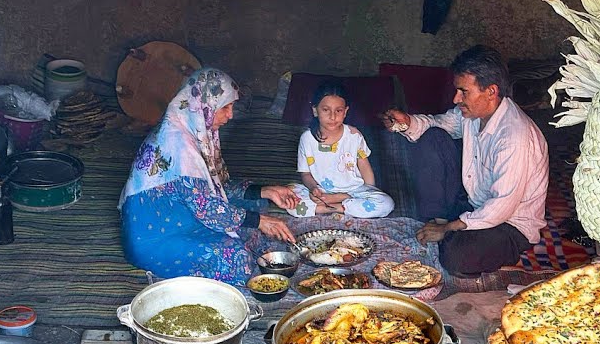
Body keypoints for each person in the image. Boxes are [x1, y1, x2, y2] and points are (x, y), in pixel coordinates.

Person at [119, 68, 299, 286]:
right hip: (157, 237)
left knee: (255, 202)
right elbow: (207, 207)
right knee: (236, 259)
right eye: (225, 108)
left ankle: (249, 235)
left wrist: (266, 190)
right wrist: (259, 221)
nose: (230, 115)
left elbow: (216, 186)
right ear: (203, 105)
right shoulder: (177, 144)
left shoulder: (195, 130)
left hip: (187, 213)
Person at [384, 45, 548, 277]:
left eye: (464, 92)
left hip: (509, 224)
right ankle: (440, 222)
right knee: (432, 137)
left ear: (491, 91)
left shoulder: (514, 136)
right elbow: (439, 123)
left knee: (457, 257)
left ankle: (446, 233)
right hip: (474, 202)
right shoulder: (472, 114)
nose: (456, 98)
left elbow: (500, 208)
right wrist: (406, 122)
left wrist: (448, 228)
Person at [286, 80, 395, 219]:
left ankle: (336, 205)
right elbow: (305, 174)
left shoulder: (354, 135)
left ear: (345, 112)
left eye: (338, 111)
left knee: (386, 203)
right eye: (326, 110)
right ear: (315, 110)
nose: (332, 116)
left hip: (353, 191)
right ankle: (338, 206)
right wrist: (314, 189)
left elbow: (364, 165)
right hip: (322, 192)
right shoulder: (307, 139)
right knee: (289, 196)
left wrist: (370, 190)